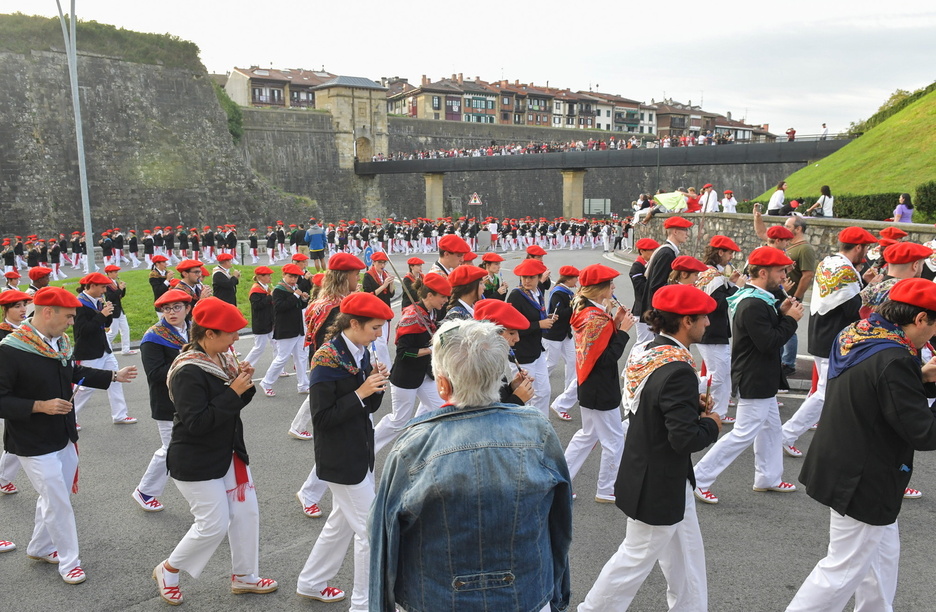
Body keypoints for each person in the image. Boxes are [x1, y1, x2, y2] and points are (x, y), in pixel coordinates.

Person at [369, 318, 573, 612]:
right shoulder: (537, 430)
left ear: (442, 385)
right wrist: (558, 591)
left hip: (437, 597)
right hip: (527, 591)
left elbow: (384, 536)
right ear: (497, 376)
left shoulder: (414, 445)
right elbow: (561, 521)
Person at [786, 278, 936, 611]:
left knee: (881, 559)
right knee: (841, 571)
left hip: (843, 458)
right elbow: (924, 432)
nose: (931, 339)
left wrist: (921, 377)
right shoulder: (896, 357)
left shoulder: (859, 332)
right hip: (864, 476)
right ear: (921, 318)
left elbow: (877, 390)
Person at [579, 284, 721, 611]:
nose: (708, 323)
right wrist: (711, 422)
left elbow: (651, 405)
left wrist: (689, 407)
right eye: (703, 317)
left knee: (686, 555)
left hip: (656, 472)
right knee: (635, 557)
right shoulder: (678, 370)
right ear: (686, 321)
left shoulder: (647, 350)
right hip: (659, 480)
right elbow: (684, 439)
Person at [0, 286, 136, 585]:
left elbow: (72, 373)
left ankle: (40, 547)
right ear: (48, 312)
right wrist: (39, 406)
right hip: (31, 441)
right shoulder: (10, 349)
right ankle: (69, 561)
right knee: (58, 499)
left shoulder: (58, 342)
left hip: (63, 434)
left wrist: (113, 376)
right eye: (70, 317)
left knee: (53, 496)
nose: (73, 323)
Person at [152, 297, 276, 605]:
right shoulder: (188, 371)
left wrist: (244, 384)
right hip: (195, 459)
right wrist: (233, 390)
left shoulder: (222, 358)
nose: (236, 339)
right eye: (231, 333)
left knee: (246, 513)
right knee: (213, 524)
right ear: (209, 334)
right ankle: (168, 570)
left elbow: (233, 407)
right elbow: (197, 423)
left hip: (228, 452)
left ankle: (245, 575)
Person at [296, 293, 392, 608]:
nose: (379, 334)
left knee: (340, 525)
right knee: (370, 532)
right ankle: (364, 604)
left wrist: (376, 384)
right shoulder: (326, 358)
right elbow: (322, 418)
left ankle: (311, 581)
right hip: (341, 459)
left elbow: (368, 407)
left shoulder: (360, 351)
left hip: (359, 452)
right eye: (375, 327)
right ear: (354, 323)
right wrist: (361, 391)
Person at [693, 246, 804, 504]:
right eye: (780, 271)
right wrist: (790, 319)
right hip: (755, 377)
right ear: (763, 273)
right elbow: (768, 342)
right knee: (743, 433)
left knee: (771, 428)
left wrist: (782, 313)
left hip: (760, 376)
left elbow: (764, 333)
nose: (785, 275)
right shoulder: (753, 303)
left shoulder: (757, 298)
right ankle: (699, 477)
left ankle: (768, 477)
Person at [781, 227, 876, 459]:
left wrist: (863, 282)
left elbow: (843, 300)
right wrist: (873, 289)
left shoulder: (830, 262)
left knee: (826, 392)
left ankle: (788, 435)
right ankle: (786, 435)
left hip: (823, 334)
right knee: (825, 393)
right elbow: (854, 309)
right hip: (833, 338)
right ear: (858, 247)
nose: (867, 253)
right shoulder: (845, 271)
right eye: (866, 248)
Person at [564, 264, 634, 503]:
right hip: (601, 388)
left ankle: (562, 481)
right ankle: (606, 489)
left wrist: (615, 321)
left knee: (587, 436)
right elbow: (606, 359)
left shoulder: (587, 311)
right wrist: (623, 332)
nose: (614, 287)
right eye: (610, 283)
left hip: (590, 385)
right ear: (600, 288)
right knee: (614, 440)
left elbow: (597, 349)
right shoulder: (595, 318)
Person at [373, 273, 450, 455]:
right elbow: (403, 352)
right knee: (399, 420)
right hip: (405, 377)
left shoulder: (433, 312)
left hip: (425, 375)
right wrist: (431, 349)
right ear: (429, 295)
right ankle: (367, 445)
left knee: (443, 411)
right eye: (443, 296)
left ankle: (418, 446)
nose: (446, 301)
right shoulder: (411, 317)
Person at [132, 289, 192, 513]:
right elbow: (155, 373)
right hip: (166, 402)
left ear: (187, 308)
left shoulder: (193, 329)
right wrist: (188, 361)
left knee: (183, 445)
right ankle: (145, 491)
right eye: (166, 309)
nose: (172, 312)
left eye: (177, 307)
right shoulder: (153, 337)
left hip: (190, 398)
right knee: (170, 448)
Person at [72, 272, 139, 425]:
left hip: (104, 349)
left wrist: (108, 313)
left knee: (116, 379)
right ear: (92, 286)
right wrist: (102, 315)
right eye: (102, 287)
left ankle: (120, 415)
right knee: (85, 387)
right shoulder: (79, 304)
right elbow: (82, 331)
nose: (104, 291)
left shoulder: (97, 300)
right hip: (89, 352)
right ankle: (69, 417)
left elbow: (105, 324)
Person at [694, 236, 743, 423]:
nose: (731, 257)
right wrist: (737, 288)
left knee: (723, 373)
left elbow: (718, 297)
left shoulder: (710, 272)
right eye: (730, 253)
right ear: (720, 252)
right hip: (711, 332)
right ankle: (684, 390)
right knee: (718, 376)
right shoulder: (712, 275)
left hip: (715, 331)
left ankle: (719, 413)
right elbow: (718, 304)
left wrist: (731, 283)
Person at [507, 258, 557, 418]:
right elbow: (511, 328)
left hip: (536, 349)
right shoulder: (516, 296)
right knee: (526, 395)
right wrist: (539, 324)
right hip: (522, 351)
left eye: (531, 277)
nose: (527, 281)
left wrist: (546, 318)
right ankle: (526, 426)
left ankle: (542, 423)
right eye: (524, 277)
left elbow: (536, 314)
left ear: (539, 277)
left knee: (544, 391)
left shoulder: (537, 292)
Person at [0, 289, 33, 496]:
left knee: (18, 436)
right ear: (5, 310)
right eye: (17, 306)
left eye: (24, 305)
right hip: (9, 392)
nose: (23, 310)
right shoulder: (3, 334)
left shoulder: (28, 328)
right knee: (16, 436)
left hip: (28, 388)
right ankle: (3, 477)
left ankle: (3, 477)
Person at [259, 264, 309, 396]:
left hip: (298, 328)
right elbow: (280, 307)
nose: (293, 279)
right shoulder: (278, 290)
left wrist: (303, 299)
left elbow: (298, 307)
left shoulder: (294, 288)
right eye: (290, 276)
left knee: (301, 357)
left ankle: (303, 384)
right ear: (284, 275)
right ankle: (266, 382)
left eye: (296, 277)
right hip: (286, 329)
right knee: (282, 358)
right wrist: (296, 296)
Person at [473, 299, 534, 406]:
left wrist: (512, 387)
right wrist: (517, 399)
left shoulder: (491, 358)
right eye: (511, 333)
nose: (517, 339)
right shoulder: (478, 366)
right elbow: (489, 411)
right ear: (492, 334)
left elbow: (499, 396)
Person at [780, 217, 818, 375]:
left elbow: (807, 275)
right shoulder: (790, 245)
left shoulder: (805, 249)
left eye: (788, 226)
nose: (784, 228)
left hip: (790, 295)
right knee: (780, 326)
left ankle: (788, 363)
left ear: (798, 229)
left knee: (789, 328)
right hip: (783, 294)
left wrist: (795, 296)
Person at [543, 265, 579, 421]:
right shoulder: (558, 292)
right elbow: (558, 314)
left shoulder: (567, 291)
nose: (577, 281)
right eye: (575, 278)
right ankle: (536, 386)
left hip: (565, 334)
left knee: (572, 361)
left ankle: (568, 391)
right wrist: (575, 304)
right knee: (550, 363)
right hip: (553, 334)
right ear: (568, 279)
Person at [361, 251, 395, 366]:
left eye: (384, 263)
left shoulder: (385, 275)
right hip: (374, 311)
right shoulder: (368, 275)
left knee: (383, 341)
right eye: (380, 263)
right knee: (380, 342)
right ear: (374, 263)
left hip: (385, 309)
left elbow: (391, 294)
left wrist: (391, 283)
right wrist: (384, 285)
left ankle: (371, 362)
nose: (382, 265)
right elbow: (368, 295)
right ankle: (385, 367)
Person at [242, 266, 275, 368]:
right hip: (261, 323)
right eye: (268, 275)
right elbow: (257, 306)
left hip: (270, 322)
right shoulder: (255, 291)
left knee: (276, 345)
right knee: (259, 348)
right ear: (260, 277)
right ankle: (245, 365)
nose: (270, 277)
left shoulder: (265, 288)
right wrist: (270, 296)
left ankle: (278, 369)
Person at [630, 238, 659, 344]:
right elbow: (641, 289)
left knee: (652, 341)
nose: (654, 253)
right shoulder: (637, 267)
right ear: (642, 251)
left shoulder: (651, 264)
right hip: (641, 310)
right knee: (643, 342)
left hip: (650, 309)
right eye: (652, 250)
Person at [103, 264, 136, 356]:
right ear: (109, 273)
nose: (117, 274)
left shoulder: (115, 283)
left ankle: (126, 349)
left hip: (119, 309)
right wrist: (119, 289)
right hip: (113, 310)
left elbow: (120, 296)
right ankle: (102, 345)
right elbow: (110, 298)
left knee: (125, 329)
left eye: (117, 272)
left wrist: (123, 288)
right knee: (113, 332)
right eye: (115, 272)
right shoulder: (107, 285)